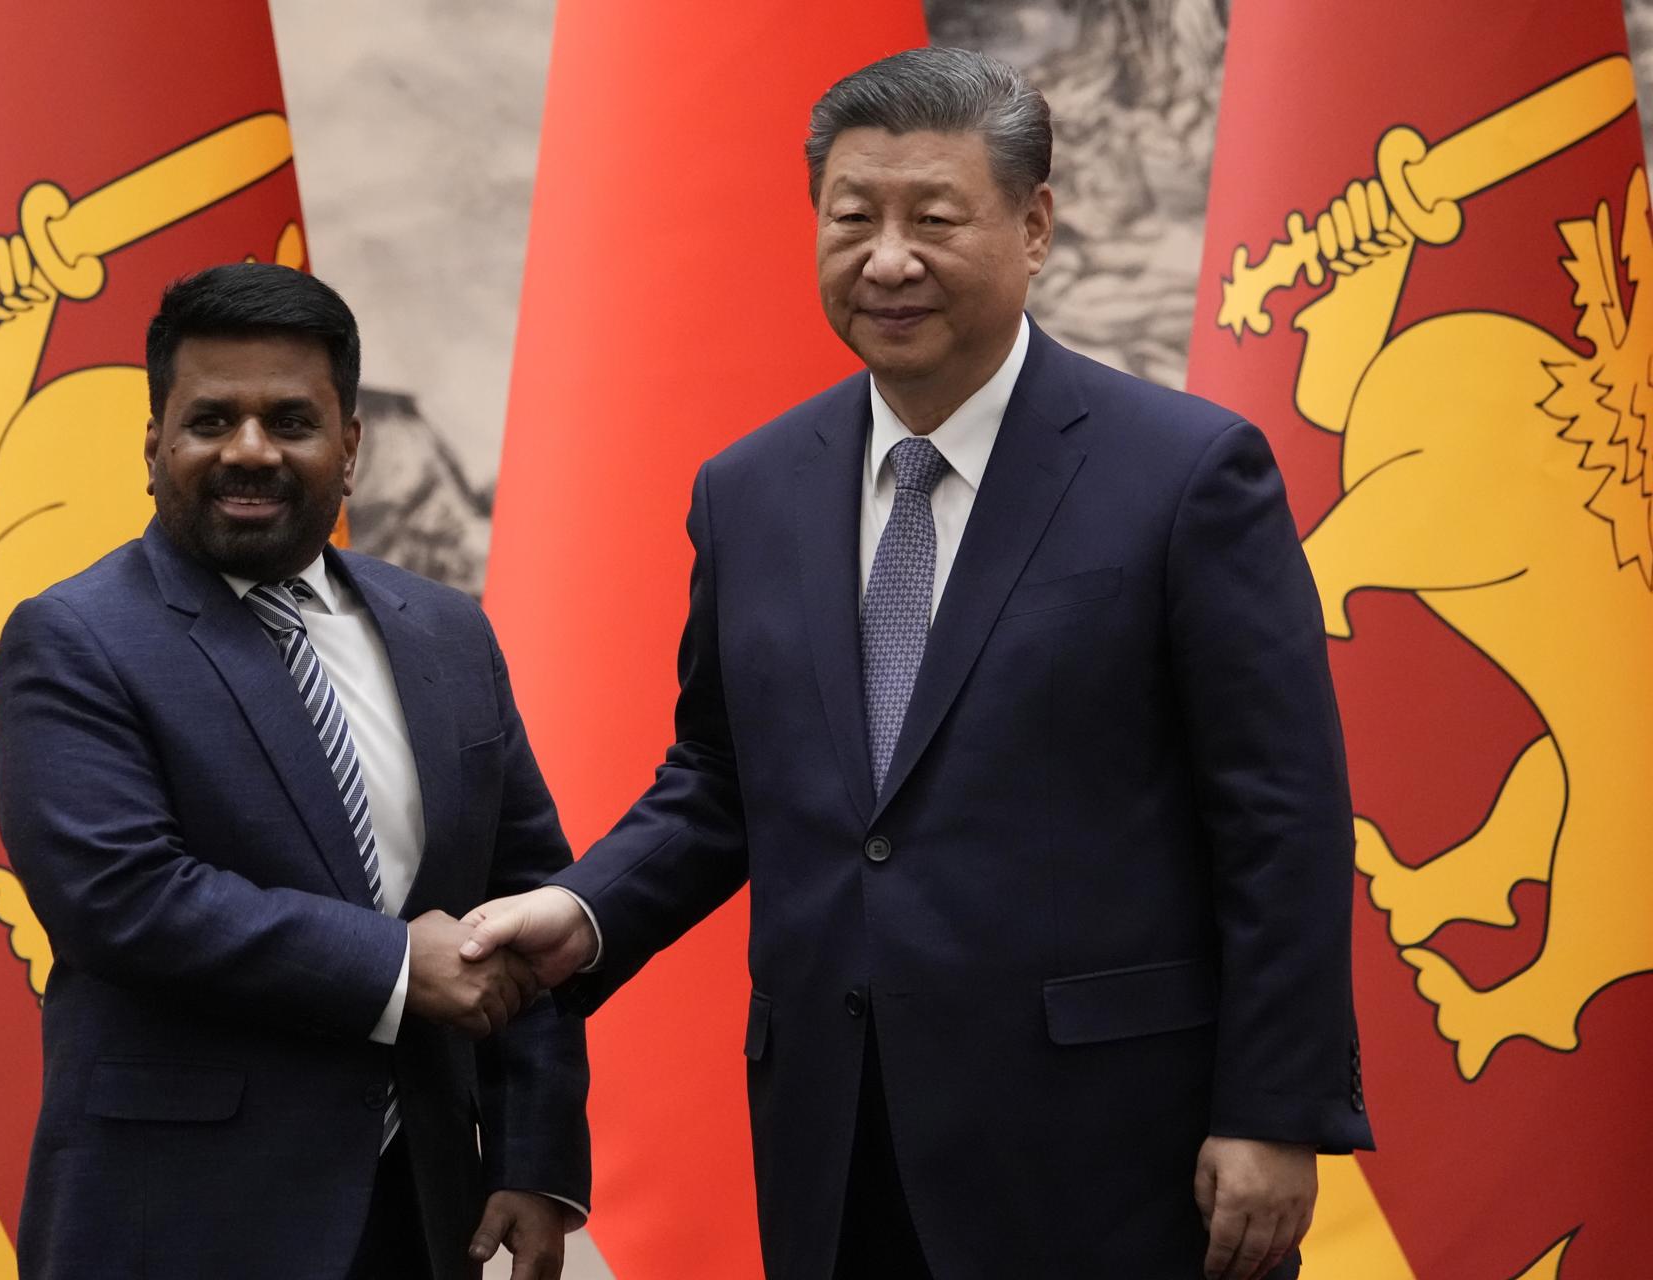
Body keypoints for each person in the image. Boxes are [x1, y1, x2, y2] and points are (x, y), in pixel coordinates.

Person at [459, 47, 1372, 1280]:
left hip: (1107, 1146)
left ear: (1034, 224)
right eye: (853, 219)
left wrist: (1274, 1109)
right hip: (839, 1137)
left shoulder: (1187, 474)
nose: (888, 259)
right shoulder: (750, 490)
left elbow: (1282, 813)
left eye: (933, 219)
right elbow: (724, 775)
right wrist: (587, 908)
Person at [0, 263, 588, 1280]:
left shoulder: (448, 634)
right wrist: (400, 968)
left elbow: (531, 904)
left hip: (425, 1214)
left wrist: (535, 1157)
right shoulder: (74, 638)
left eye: (291, 420)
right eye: (211, 418)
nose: (250, 450)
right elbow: (125, 896)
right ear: (154, 443)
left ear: (350, 446)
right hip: (176, 1223)